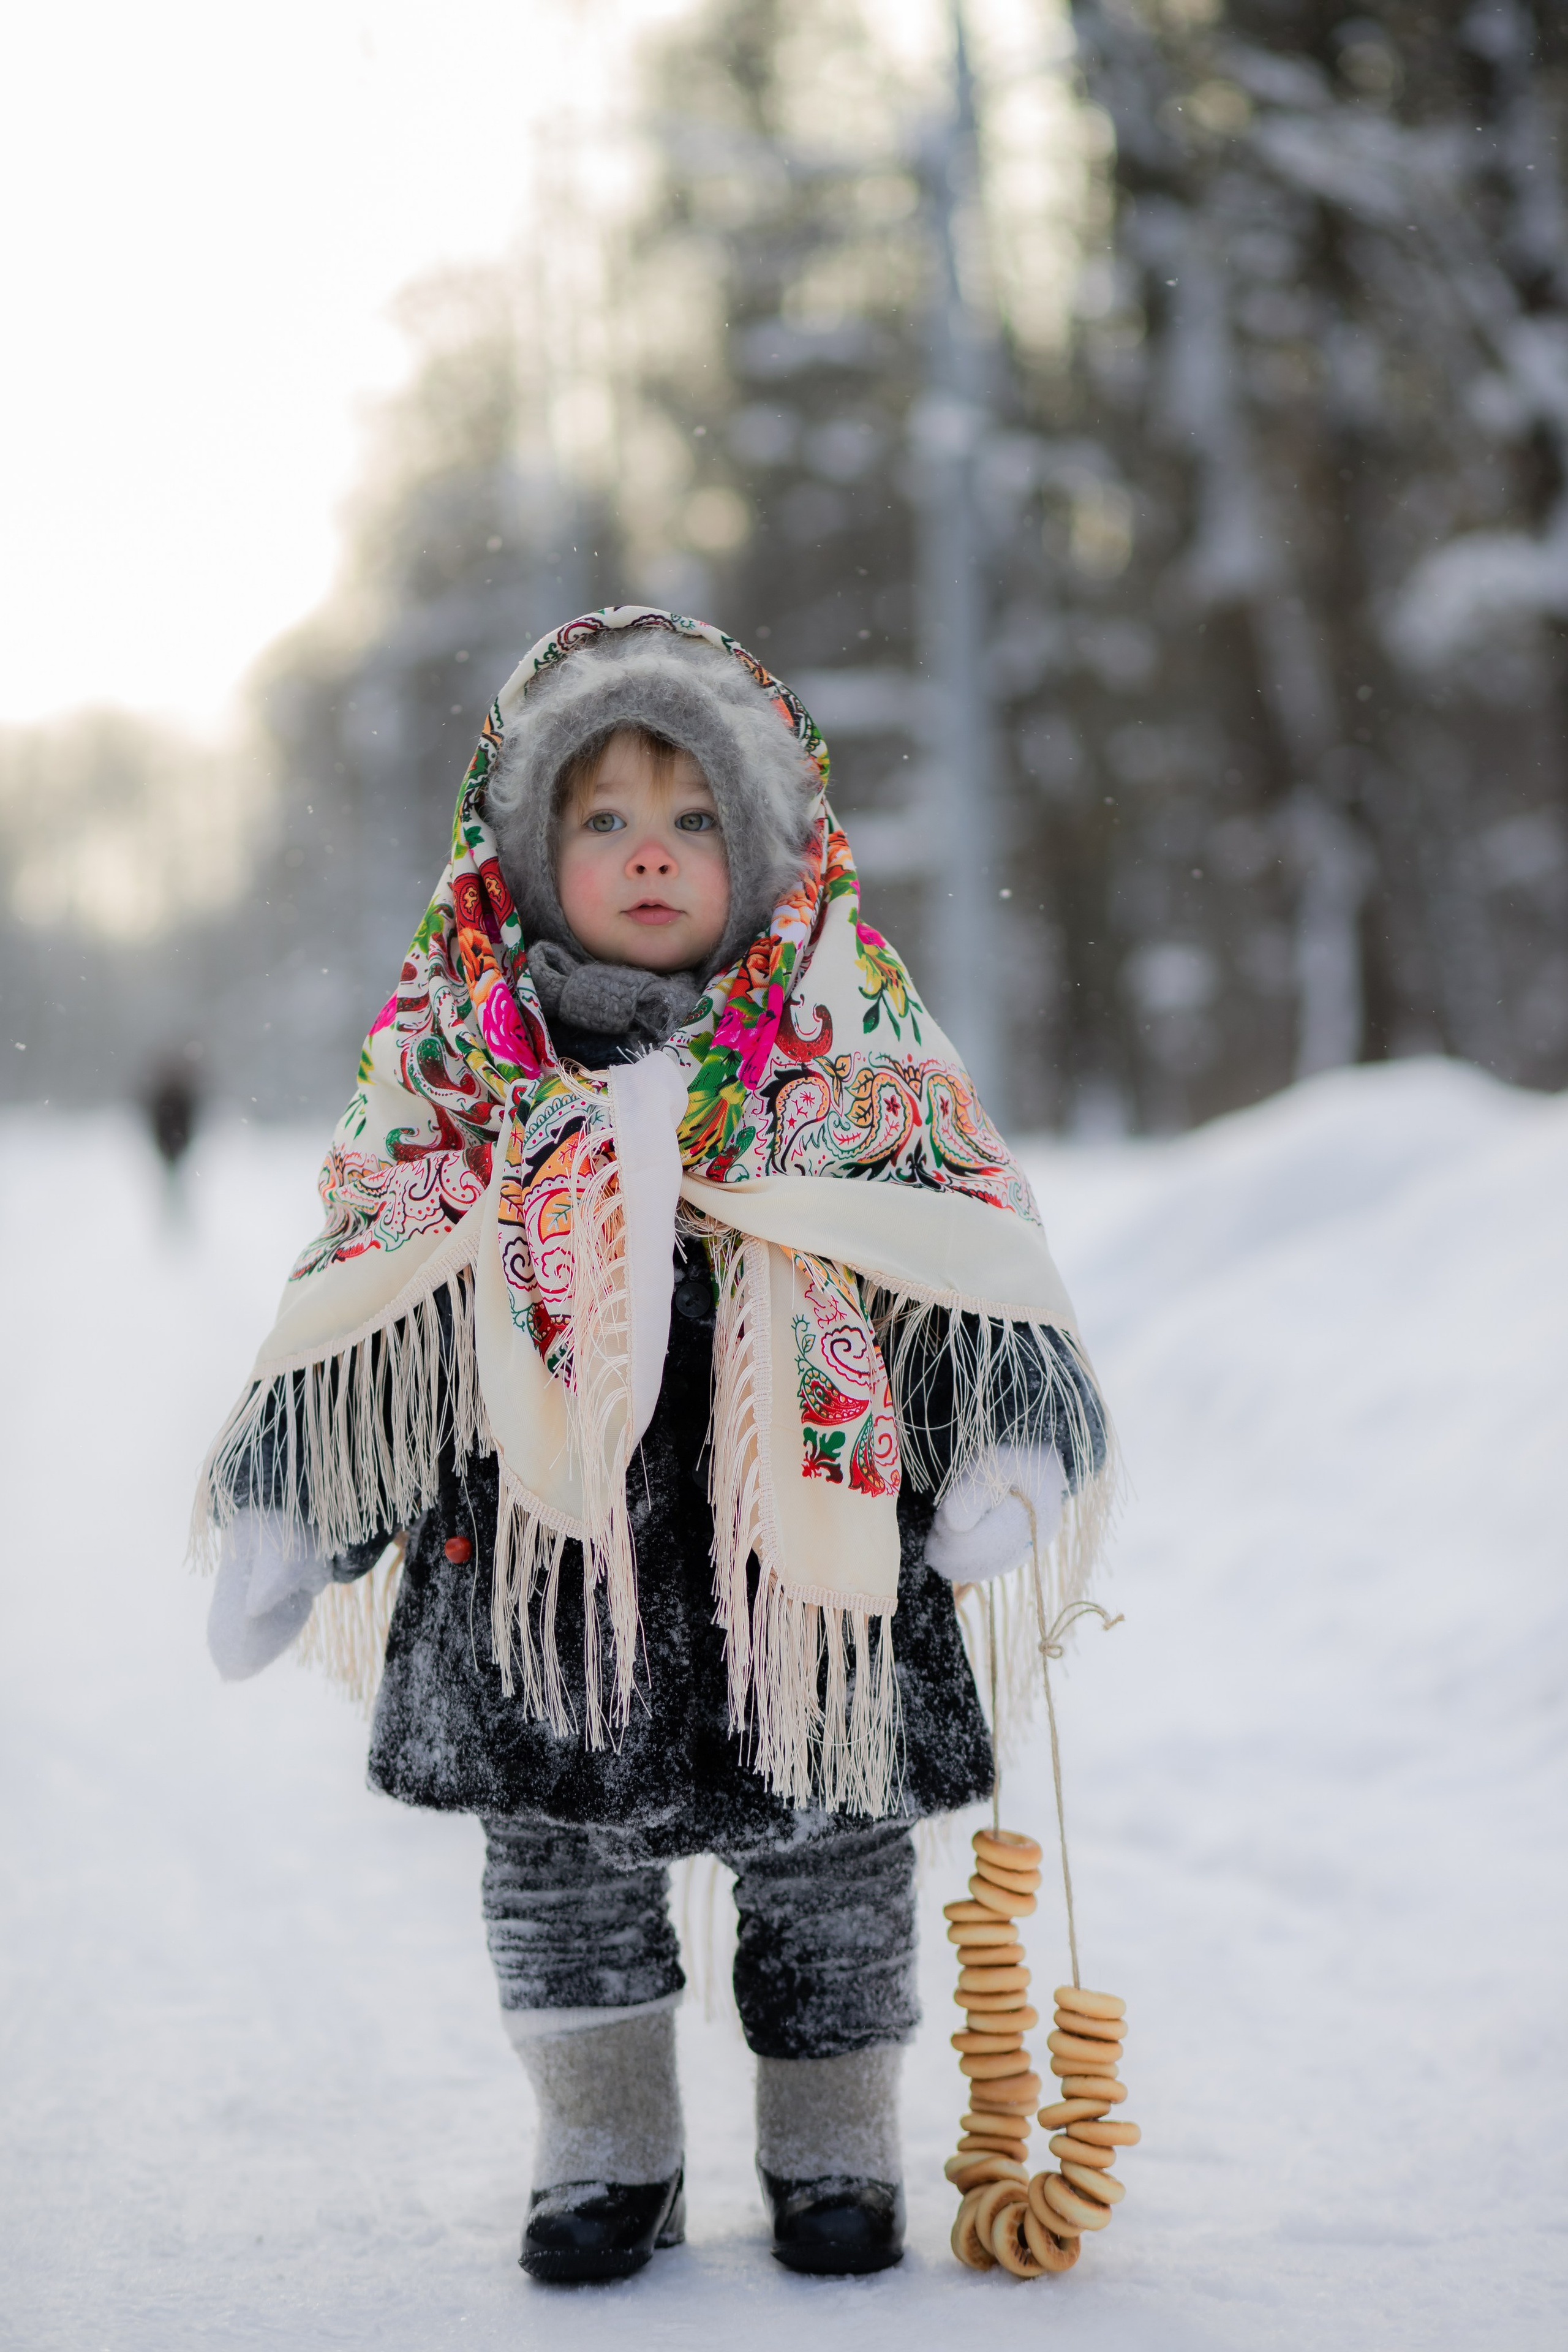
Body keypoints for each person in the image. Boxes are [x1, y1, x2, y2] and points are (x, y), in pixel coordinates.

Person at [198, 608, 1111, 2286]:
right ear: (526, 850)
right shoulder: (466, 1071)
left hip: (807, 1577)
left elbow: (965, 1251)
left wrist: (1008, 1436)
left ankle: (834, 2141)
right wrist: (296, 1499)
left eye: (695, 819)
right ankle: (605, 2147)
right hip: (543, 1575)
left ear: (767, 846)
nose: (650, 854)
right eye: (602, 817)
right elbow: (373, 1298)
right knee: (559, 1872)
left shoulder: (852, 1053)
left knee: (834, 1860)